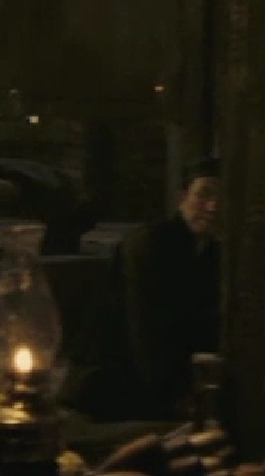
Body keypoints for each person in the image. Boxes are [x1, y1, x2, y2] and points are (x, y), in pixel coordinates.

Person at [64, 157, 223, 423]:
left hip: (169, 383)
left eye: (221, 198)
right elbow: (146, 329)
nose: (212, 206)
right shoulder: (150, 243)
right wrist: (175, 398)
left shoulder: (214, 254)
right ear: (182, 198)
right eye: (204, 194)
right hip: (113, 379)